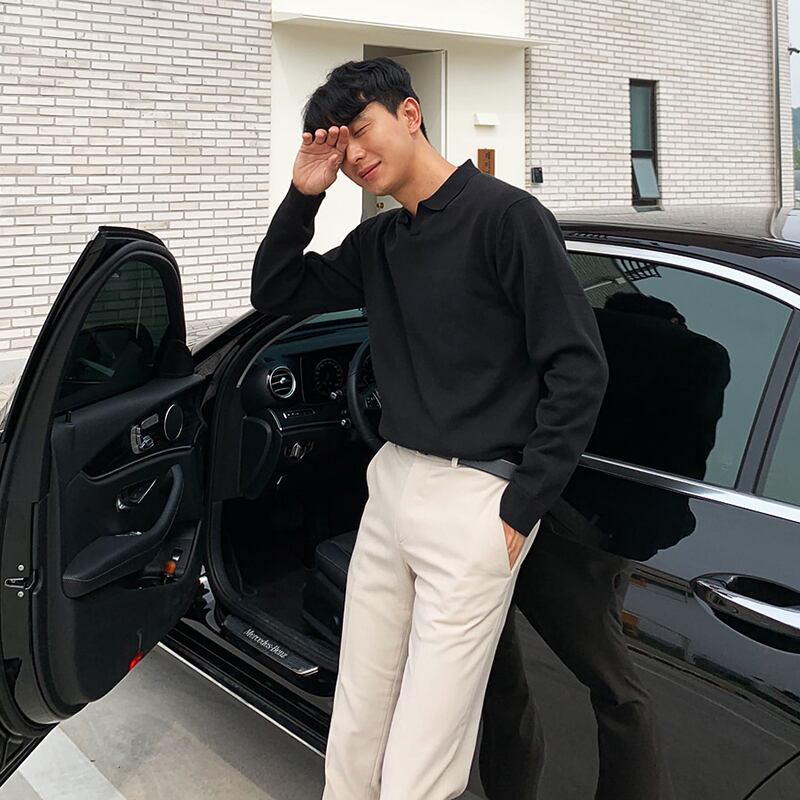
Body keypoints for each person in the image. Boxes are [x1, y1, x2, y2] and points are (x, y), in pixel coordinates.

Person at [250, 56, 609, 800]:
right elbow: (276, 290)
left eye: (361, 130)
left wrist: (521, 507)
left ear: (409, 114)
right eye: (339, 145)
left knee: (423, 756)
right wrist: (303, 194)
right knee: (357, 723)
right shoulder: (383, 241)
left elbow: (578, 368)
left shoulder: (508, 218)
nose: (353, 155)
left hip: (478, 500)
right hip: (392, 486)